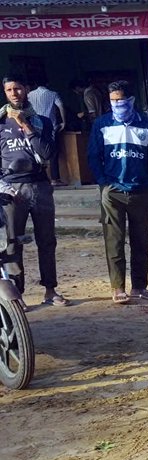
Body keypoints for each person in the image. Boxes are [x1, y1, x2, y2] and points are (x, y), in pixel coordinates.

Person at [87, 80, 148, 305]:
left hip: (141, 191)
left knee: (141, 240)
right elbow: (93, 156)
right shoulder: (101, 124)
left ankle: (139, 286)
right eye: (113, 101)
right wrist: (103, 183)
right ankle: (118, 287)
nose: (117, 104)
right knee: (114, 241)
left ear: (131, 100)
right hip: (112, 192)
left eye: (121, 100)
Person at [2, 75, 68, 308]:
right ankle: (16, 295)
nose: (14, 93)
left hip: (40, 186)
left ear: (27, 90)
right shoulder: (0, 123)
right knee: (13, 243)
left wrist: (26, 125)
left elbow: (48, 153)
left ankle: (50, 290)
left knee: (47, 240)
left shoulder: (41, 122)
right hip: (12, 190)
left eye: (18, 88)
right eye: (9, 89)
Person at [26, 79, 66, 186]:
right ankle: (55, 179)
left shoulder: (29, 95)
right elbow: (61, 106)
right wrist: (63, 121)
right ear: (48, 84)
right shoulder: (53, 94)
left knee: (35, 151)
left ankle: (38, 177)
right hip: (50, 126)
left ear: (35, 84)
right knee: (52, 152)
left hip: (34, 126)